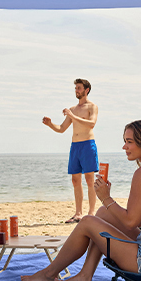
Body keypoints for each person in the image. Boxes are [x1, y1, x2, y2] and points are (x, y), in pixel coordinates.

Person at [21, 120, 141, 281]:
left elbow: (131, 222)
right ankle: (84, 276)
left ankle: (48, 274)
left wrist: (106, 198)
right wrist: (107, 205)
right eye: (125, 141)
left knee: (87, 222)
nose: (124, 147)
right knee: (103, 214)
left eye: (129, 142)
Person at [41, 78, 98, 223]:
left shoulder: (92, 107)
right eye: (75, 88)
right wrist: (50, 124)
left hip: (88, 145)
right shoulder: (73, 109)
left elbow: (91, 124)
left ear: (86, 90)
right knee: (75, 180)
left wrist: (72, 116)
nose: (76, 91)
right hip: (75, 146)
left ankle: (91, 213)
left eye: (79, 88)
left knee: (89, 180)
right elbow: (61, 129)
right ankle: (78, 213)